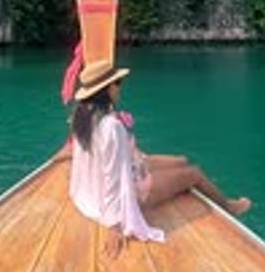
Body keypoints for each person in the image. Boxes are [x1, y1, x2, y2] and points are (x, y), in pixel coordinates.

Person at [55, 59, 251, 258]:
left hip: (108, 184)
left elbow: (82, 154)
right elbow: (112, 177)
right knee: (194, 173)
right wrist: (114, 225)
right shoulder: (110, 126)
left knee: (182, 161)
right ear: (107, 89)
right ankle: (229, 207)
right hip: (129, 192)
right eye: (118, 84)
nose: (120, 89)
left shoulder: (82, 115)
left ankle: (223, 202)